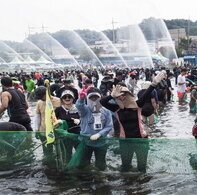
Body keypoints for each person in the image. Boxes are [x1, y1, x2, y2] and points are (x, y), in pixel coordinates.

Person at [100, 73, 164, 172]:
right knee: (125, 167)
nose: (122, 97)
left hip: (141, 140)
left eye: (124, 94)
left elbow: (147, 93)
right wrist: (111, 96)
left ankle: (142, 186)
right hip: (125, 142)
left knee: (142, 168)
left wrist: (154, 83)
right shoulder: (117, 109)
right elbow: (102, 102)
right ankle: (128, 186)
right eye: (119, 95)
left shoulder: (138, 105)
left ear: (129, 94)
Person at [76, 86, 113, 170]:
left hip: (101, 142)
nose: (94, 99)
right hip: (86, 142)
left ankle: (100, 180)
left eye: (96, 97)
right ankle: (86, 179)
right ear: (88, 98)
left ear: (100, 97)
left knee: (101, 165)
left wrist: (99, 134)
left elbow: (109, 126)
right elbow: (79, 106)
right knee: (84, 164)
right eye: (91, 97)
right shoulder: (85, 110)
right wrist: (81, 99)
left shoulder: (106, 111)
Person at [34, 86, 61, 156]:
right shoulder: (39, 103)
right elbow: (37, 117)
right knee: (47, 151)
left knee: (60, 150)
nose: (40, 98)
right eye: (39, 97)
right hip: (43, 131)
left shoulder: (58, 101)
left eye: (41, 96)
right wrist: (36, 130)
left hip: (57, 131)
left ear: (47, 93)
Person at [55, 90, 80, 162]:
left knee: (79, 152)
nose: (67, 98)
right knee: (66, 153)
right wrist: (58, 122)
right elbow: (53, 121)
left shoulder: (79, 108)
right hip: (64, 135)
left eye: (69, 97)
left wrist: (80, 121)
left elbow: (86, 119)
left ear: (73, 98)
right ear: (61, 99)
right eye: (64, 97)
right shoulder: (58, 109)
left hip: (77, 134)